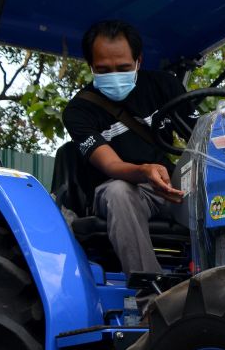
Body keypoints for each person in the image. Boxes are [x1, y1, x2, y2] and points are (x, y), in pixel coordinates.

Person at [62, 19, 187, 276]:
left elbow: (199, 137)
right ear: (91, 66)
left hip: (170, 187)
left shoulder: (165, 86)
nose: (114, 76)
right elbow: (111, 165)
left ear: (138, 61)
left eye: (123, 67)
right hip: (122, 191)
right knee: (119, 192)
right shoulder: (78, 111)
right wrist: (145, 170)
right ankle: (152, 296)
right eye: (104, 69)